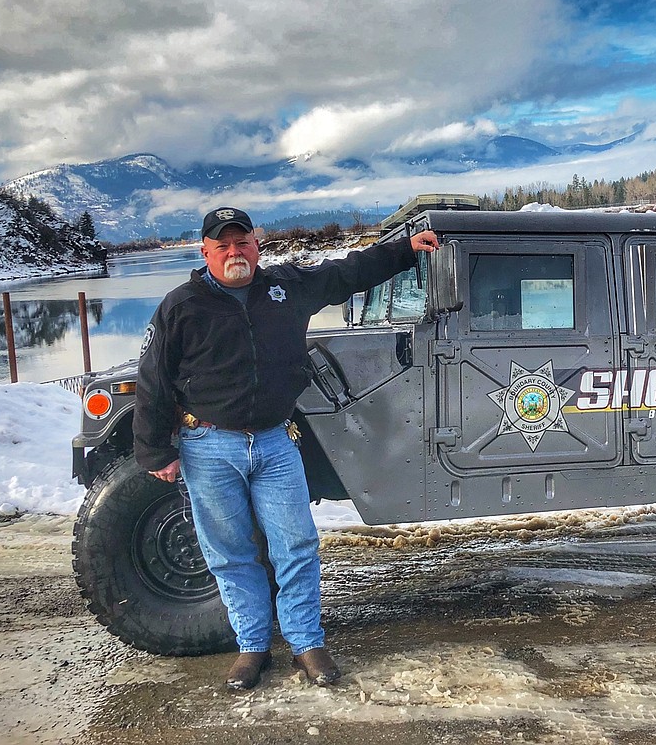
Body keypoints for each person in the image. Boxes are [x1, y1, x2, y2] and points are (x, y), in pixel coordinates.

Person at [133, 206, 439, 690]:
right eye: (224, 245)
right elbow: (153, 381)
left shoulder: (284, 288)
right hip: (208, 447)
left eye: (243, 243)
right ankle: (252, 648)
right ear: (206, 251)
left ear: (257, 245)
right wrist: (155, 451)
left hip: (276, 442)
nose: (235, 253)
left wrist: (404, 250)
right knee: (231, 554)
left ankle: (306, 644)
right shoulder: (181, 305)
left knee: (295, 546)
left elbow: (344, 274)